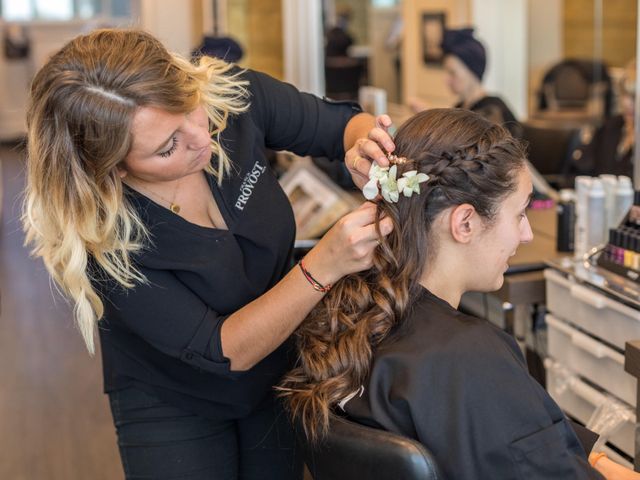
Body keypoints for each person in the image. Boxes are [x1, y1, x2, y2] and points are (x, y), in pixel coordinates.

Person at [22, 28, 396, 480]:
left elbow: (341, 126)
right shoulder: (99, 234)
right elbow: (222, 350)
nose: (201, 138)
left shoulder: (228, 98)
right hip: (173, 400)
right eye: (167, 147)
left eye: (188, 109)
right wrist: (324, 265)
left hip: (279, 371)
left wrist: (364, 147)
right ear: (114, 169)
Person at [280, 108, 640, 479]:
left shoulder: (350, 318)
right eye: (519, 214)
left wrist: (594, 460)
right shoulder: (471, 357)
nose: (527, 234)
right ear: (464, 222)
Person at [410, 28, 522, 138]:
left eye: (452, 72)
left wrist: (432, 117)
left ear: (471, 73)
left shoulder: (493, 109)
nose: (446, 79)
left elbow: (471, 140)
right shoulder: (460, 107)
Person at [573, 59, 636, 178]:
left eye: (634, 97)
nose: (627, 103)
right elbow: (583, 168)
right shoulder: (610, 126)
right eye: (624, 94)